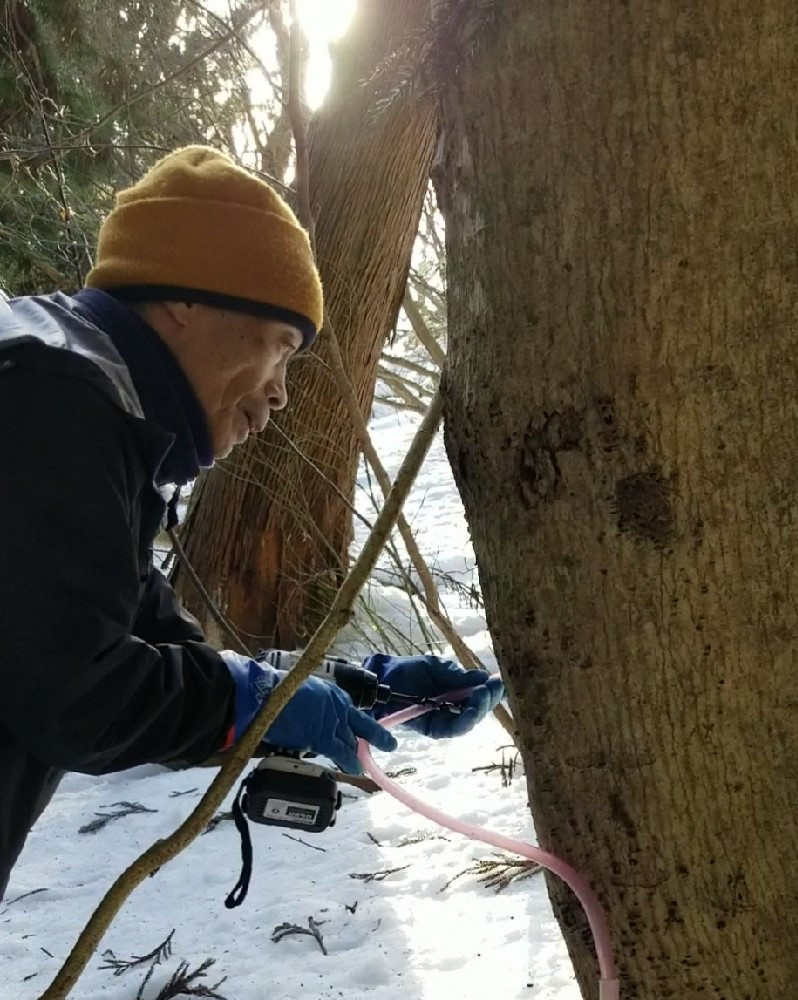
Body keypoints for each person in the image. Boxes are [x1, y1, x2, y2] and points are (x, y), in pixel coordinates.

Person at [0, 146, 503, 899]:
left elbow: (146, 650)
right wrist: (261, 703)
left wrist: (349, 689)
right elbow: (77, 695)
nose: (279, 396)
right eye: (280, 347)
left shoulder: (75, 398)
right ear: (182, 302)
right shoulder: (50, 401)